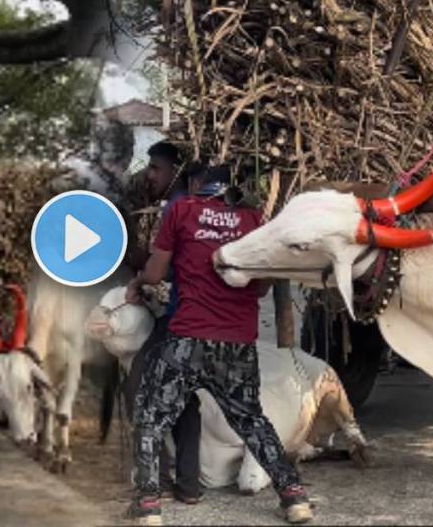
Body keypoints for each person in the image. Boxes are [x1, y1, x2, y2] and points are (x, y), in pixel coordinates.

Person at [124, 165, 313, 525]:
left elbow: (155, 273)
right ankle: (294, 496)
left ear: (197, 185)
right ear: (234, 190)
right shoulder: (255, 220)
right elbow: (260, 286)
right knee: (252, 420)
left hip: (187, 339)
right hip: (237, 344)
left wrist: (137, 283)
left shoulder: (182, 210)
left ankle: (148, 506)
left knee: (150, 416)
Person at [125, 142, 202, 505]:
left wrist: (137, 277)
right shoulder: (195, 206)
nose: (149, 174)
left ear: (175, 171)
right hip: (197, 317)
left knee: (139, 385)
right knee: (186, 399)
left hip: (178, 319)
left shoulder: (176, 208)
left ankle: (157, 480)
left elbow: (161, 268)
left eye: (156, 168)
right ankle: (188, 485)